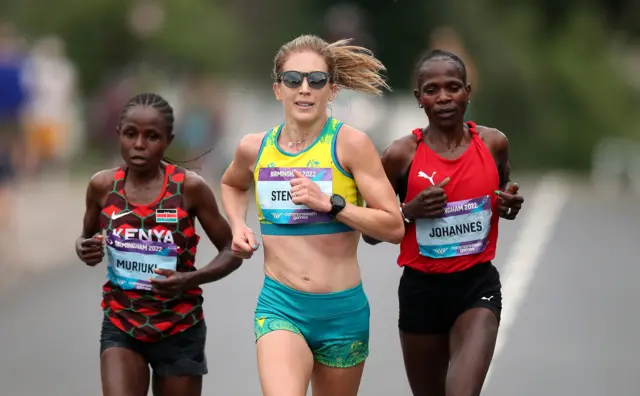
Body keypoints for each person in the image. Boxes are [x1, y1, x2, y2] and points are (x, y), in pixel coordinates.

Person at [220, 34, 404, 396]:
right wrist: (238, 225)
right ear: (278, 89)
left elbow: (394, 225)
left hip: (342, 312)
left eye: (316, 80)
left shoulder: (351, 145)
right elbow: (232, 184)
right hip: (280, 306)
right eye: (293, 79)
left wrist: (332, 205)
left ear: (331, 91)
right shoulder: (254, 148)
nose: (304, 88)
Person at [363, 49, 525, 396]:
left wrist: (507, 203)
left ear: (467, 91)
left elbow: (502, 189)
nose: (444, 97)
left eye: (453, 87)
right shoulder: (400, 155)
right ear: (419, 98)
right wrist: (410, 211)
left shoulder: (494, 144)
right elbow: (369, 232)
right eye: (432, 90)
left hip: (476, 287)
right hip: (421, 293)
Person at [75, 92, 243, 396]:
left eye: (151, 136)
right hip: (122, 325)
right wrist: (85, 248)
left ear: (168, 140)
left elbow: (232, 249)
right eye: (130, 134)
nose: (139, 144)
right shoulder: (102, 186)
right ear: (119, 135)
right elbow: (85, 239)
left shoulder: (189, 188)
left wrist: (189, 279)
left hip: (180, 328)